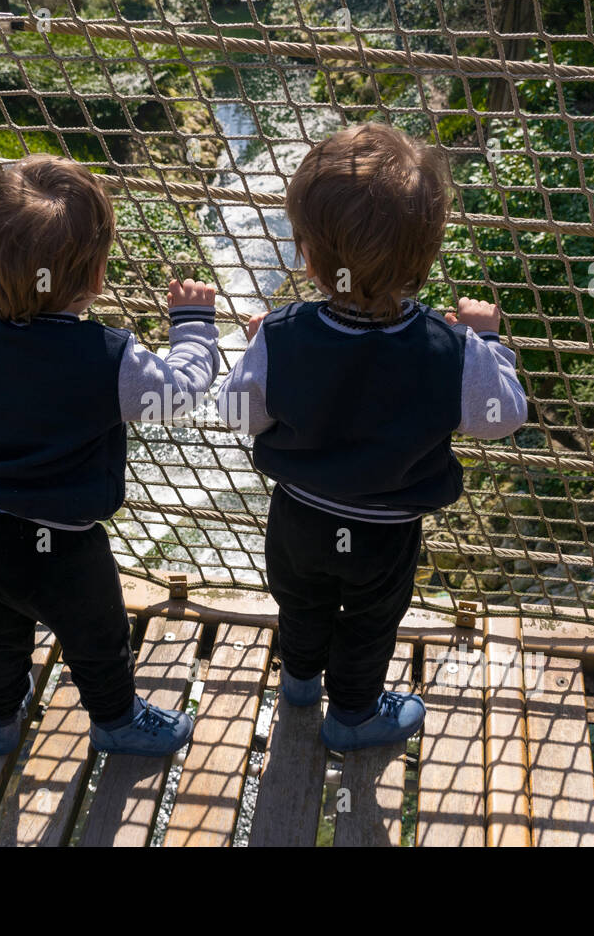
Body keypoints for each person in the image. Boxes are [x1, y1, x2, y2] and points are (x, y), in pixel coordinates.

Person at [217, 123, 528, 751]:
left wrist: (262, 346)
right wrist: (488, 341)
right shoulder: (451, 351)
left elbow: (238, 415)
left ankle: (300, 681)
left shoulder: (282, 335)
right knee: (367, 622)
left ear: (308, 256)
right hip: (384, 532)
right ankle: (353, 714)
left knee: (299, 601)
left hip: (299, 518)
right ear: (426, 257)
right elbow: (503, 414)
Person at [0, 154, 220, 756]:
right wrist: (191, 326)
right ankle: (114, 720)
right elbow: (182, 392)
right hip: (64, 548)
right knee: (98, 637)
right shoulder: (108, 360)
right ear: (99, 275)